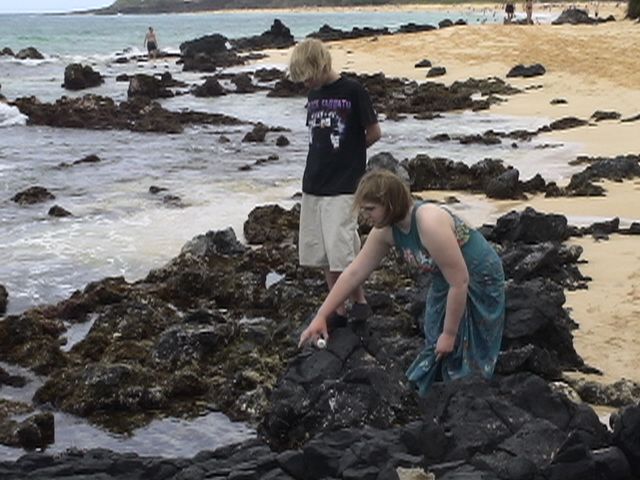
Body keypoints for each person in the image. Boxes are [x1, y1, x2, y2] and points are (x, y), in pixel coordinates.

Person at [298, 170, 505, 396]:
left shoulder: (428, 222)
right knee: (435, 341)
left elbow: (460, 281)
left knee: (464, 345)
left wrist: (449, 334)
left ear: (390, 204)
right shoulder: (385, 231)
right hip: (444, 278)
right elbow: (354, 274)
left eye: (370, 209)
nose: (366, 216)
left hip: (478, 275)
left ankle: (471, 386)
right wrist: (322, 315)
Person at [288, 38, 382, 328]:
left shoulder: (353, 91)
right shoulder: (314, 94)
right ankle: (338, 307)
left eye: (308, 77)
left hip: (343, 184)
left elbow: (374, 132)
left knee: (341, 248)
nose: (307, 84)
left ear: (321, 65)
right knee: (325, 252)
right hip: (314, 181)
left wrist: (351, 156)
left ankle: (360, 302)